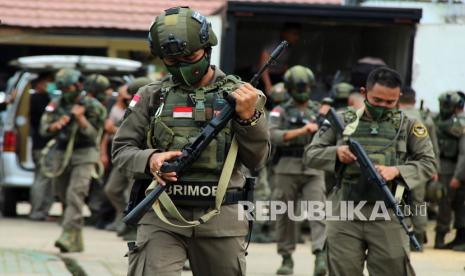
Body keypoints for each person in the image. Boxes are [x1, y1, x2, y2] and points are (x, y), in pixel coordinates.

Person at [111, 7, 269, 275]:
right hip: (162, 215)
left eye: (189, 56)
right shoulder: (151, 96)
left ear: (207, 48)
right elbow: (122, 151)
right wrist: (151, 159)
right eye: (171, 62)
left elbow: (258, 159)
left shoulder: (242, 96)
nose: (182, 66)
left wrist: (247, 119)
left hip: (221, 219)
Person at [305, 67, 436, 275]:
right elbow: (311, 154)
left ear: (398, 97)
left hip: (389, 211)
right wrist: (337, 153)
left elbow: (429, 163)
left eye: (389, 102)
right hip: (345, 212)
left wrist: (396, 170)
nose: (382, 107)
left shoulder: (409, 126)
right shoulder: (342, 120)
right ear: (364, 92)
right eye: (377, 101)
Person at [39, 68, 107, 252]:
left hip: (84, 153)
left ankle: (68, 234)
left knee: (75, 194)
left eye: (68, 88)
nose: (66, 93)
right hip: (61, 154)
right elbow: (43, 128)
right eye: (63, 89)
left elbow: (96, 135)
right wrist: (55, 125)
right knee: (61, 194)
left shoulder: (93, 106)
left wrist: (81, 118)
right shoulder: (56, 103)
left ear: (77, 85)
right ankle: (74, 237)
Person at [269, 65, 326, 276]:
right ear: (290, 88)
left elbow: (331, 136)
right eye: (299, 87)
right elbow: (272, 135)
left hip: (313, 167)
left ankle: (320, 254)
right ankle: (286, 257)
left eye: (306, 87)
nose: (303, 90)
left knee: (318, 211)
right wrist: (302, 130)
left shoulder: (319, 110)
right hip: (286, 167)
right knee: (285, 214)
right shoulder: (279, 110)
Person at [103, 77, 151, 237]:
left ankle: (133, 227)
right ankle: (124, 216)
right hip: (126, 154)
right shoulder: (134, 106)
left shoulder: (154, 107)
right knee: (112, 189)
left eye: (134, 95)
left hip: (141, 157)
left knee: (134, 193)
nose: (131, 98)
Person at [398, 87, 440, 251]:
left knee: (397, 200)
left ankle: (400, 236)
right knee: (418, 203)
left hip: (399, 168)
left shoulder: (397, 117)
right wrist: (434, 169)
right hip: (420, 167)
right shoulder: (425, 118)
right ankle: (420, 237)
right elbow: (434, 147)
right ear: (415, 100)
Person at [434, 91, 465, 251]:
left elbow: (463, 153)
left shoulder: (460, 124)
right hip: (443, 167)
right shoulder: (436, 120)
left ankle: (444, 234)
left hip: (454, 169)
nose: (444, 108)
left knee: (450, 204)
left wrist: (458, 176)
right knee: (446, 202)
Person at [29, 73, 54, 220]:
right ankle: (38, 211)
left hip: (41, 145)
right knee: (43, 178)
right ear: (39, 84)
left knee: (42, 177)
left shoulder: (44, 98)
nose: (50, 86)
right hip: (43, 145)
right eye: (47, 83)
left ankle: (41, 211)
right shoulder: (38, 99)